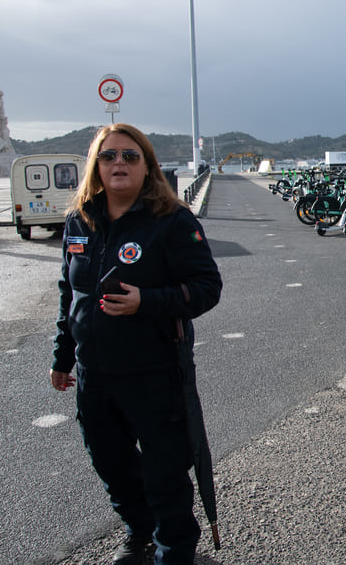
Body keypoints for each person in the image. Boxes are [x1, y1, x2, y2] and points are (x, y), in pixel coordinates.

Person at [50, 123, 222, 565]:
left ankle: (174, 550)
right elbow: (70, 294)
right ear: (95, 166)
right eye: (108, 156)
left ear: (148, 166)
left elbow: (206, 288)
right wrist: (62, 357)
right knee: (111, 464)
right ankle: (139, 530)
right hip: (94, 374)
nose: (118, 163)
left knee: (166, 473)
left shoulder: (171, 220)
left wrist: (146, 301)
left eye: (130, 156)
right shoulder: (80, 220)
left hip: (154, 372)